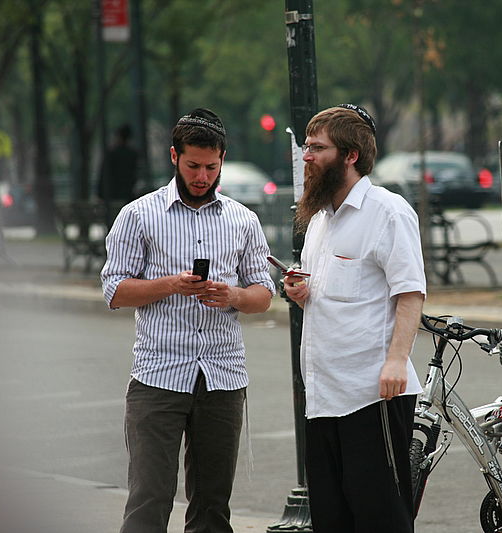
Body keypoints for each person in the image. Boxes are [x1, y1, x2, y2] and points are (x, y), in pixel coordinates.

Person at [100, 108, 275, 533]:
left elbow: (263, 295)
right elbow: (114, 290)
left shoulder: (242, 220)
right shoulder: (139, 215)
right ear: (174, 156)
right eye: (193, 165)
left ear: (223, 160)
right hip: (159, 375)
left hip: (222, 377)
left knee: (213, 506)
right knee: (149, 499)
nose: (202, 176)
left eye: (211, 167)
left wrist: (231, 295)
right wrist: (170, 285)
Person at [284, 104, 426, 533]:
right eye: (307, 146)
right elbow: (335, 298)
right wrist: (301, 294)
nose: (306, 156)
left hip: (372, 394)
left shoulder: (389, 211)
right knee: (333, 519)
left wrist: (396, 361)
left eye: (317, 148)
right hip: (323, 395)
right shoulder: (319, 221)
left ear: (350, 156)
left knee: (381, 518)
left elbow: (410, 293)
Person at [98, 124, 139, 204]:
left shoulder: (111, 153)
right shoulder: (133, 154)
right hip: (128, 195)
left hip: (112, 195)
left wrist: (100, 193)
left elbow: (104, 174)